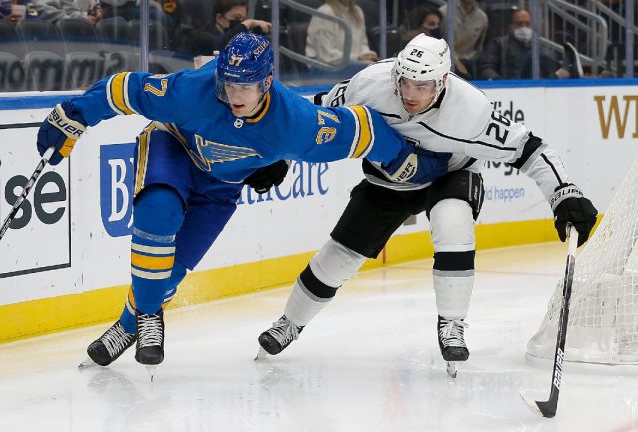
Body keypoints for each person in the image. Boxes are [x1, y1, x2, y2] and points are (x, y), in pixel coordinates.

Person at [35, 32, 452, 368]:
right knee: (156, 211)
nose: (234, 94)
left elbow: (361, 129)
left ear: (266, 83)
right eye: (228, 83)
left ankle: (128, 325)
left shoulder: (295, 123)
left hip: (220, 189)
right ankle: (148, 317)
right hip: (173, 148)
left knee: (171, 270)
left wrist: (411, 162)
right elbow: (124, 89)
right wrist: (73, 114)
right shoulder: (192, 89)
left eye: (245, 86)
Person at [256, 34, 598, 377]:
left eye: (423, 86)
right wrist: (282, 156)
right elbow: (317, 113)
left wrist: (564, 194)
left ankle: (452, 324)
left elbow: (531, 150)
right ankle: (290, 322)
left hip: (451, 173)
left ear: (443, 81)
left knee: (453, 224)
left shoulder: (470, 110)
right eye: (405, 82)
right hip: (388, 179)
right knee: (339, 255)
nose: (410, 94)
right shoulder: (370, 83)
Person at [477, 9, 574, 80]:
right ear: (512, 27)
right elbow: (486, 67)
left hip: (535, 88)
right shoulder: (498, 44)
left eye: (528, 24)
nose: (524, 27)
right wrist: (499, 82)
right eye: (520, 23)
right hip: (508, 88)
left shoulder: (538, 48)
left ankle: (568, 70)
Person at [305, 0, 378, 66]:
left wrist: (367, 55)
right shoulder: (325, 12)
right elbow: (326, 55)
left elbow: (363, 44)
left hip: (354, 64)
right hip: (325, 67)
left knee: (380, 68)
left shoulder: (358, 11)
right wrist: (358, 58)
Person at [185, 0, 271, 56]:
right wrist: (248, 23)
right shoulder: (202, 37)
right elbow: (221, 45)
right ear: (220, 18)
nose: (240, 23)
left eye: (243, 20)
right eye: (237, 18)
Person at [438, 0, 487, 78]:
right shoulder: (444, 12)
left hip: (470, 66)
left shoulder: (482, 17)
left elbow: (479, 46)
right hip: (446, 64)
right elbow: (437, 43)